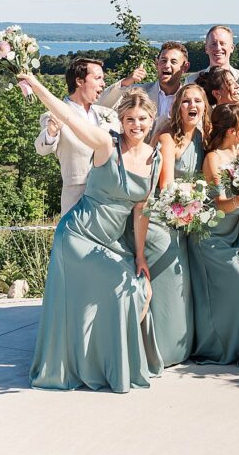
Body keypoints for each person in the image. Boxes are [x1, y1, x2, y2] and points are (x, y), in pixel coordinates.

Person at [23, 73, 163, 392]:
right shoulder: (105, 144)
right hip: (77, 237)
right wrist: (35, 81)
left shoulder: (154, 158)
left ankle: (105, 362)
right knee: (126, 287)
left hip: (111, 242)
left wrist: (140, 256)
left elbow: (141, 210)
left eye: (142, 119)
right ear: (122, 120)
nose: (136, 125)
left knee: (139, 286)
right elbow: (68, 116)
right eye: (129, 119)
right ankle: (104, 368)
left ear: (151, 120)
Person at [131, 84, 211, 367]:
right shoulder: (167, 138)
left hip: (186, 220)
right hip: (162, 222)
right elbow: (165, 187)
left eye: (197, 101)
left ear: (204, 107)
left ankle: (182, 346)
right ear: (177, 107)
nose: (192, 105)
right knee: (170, 287)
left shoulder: (203, 137)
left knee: (184, 288)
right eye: (186, 101)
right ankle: (160, 350)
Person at [188, 103, 239, 367]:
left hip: (235, 234)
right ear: (233, 130)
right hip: (212, 237)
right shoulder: (213, 158)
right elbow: (219, 204)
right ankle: (227, 347)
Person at [34, 57, 119, 213]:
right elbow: (42, 149)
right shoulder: (53, 115)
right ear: (79, 81)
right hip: (76, 199)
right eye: (98, 78)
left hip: (109, 199)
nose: (103, 84)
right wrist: (51, 132)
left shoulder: (109, 115)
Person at [101, 41, 191, 128]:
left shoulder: (190, 100)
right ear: (157, 63)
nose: (167, 65)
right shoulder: (137, 93)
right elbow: (102, 106)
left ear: (185, 67)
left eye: (173, 62)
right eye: (163, 60)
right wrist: (126, 82)